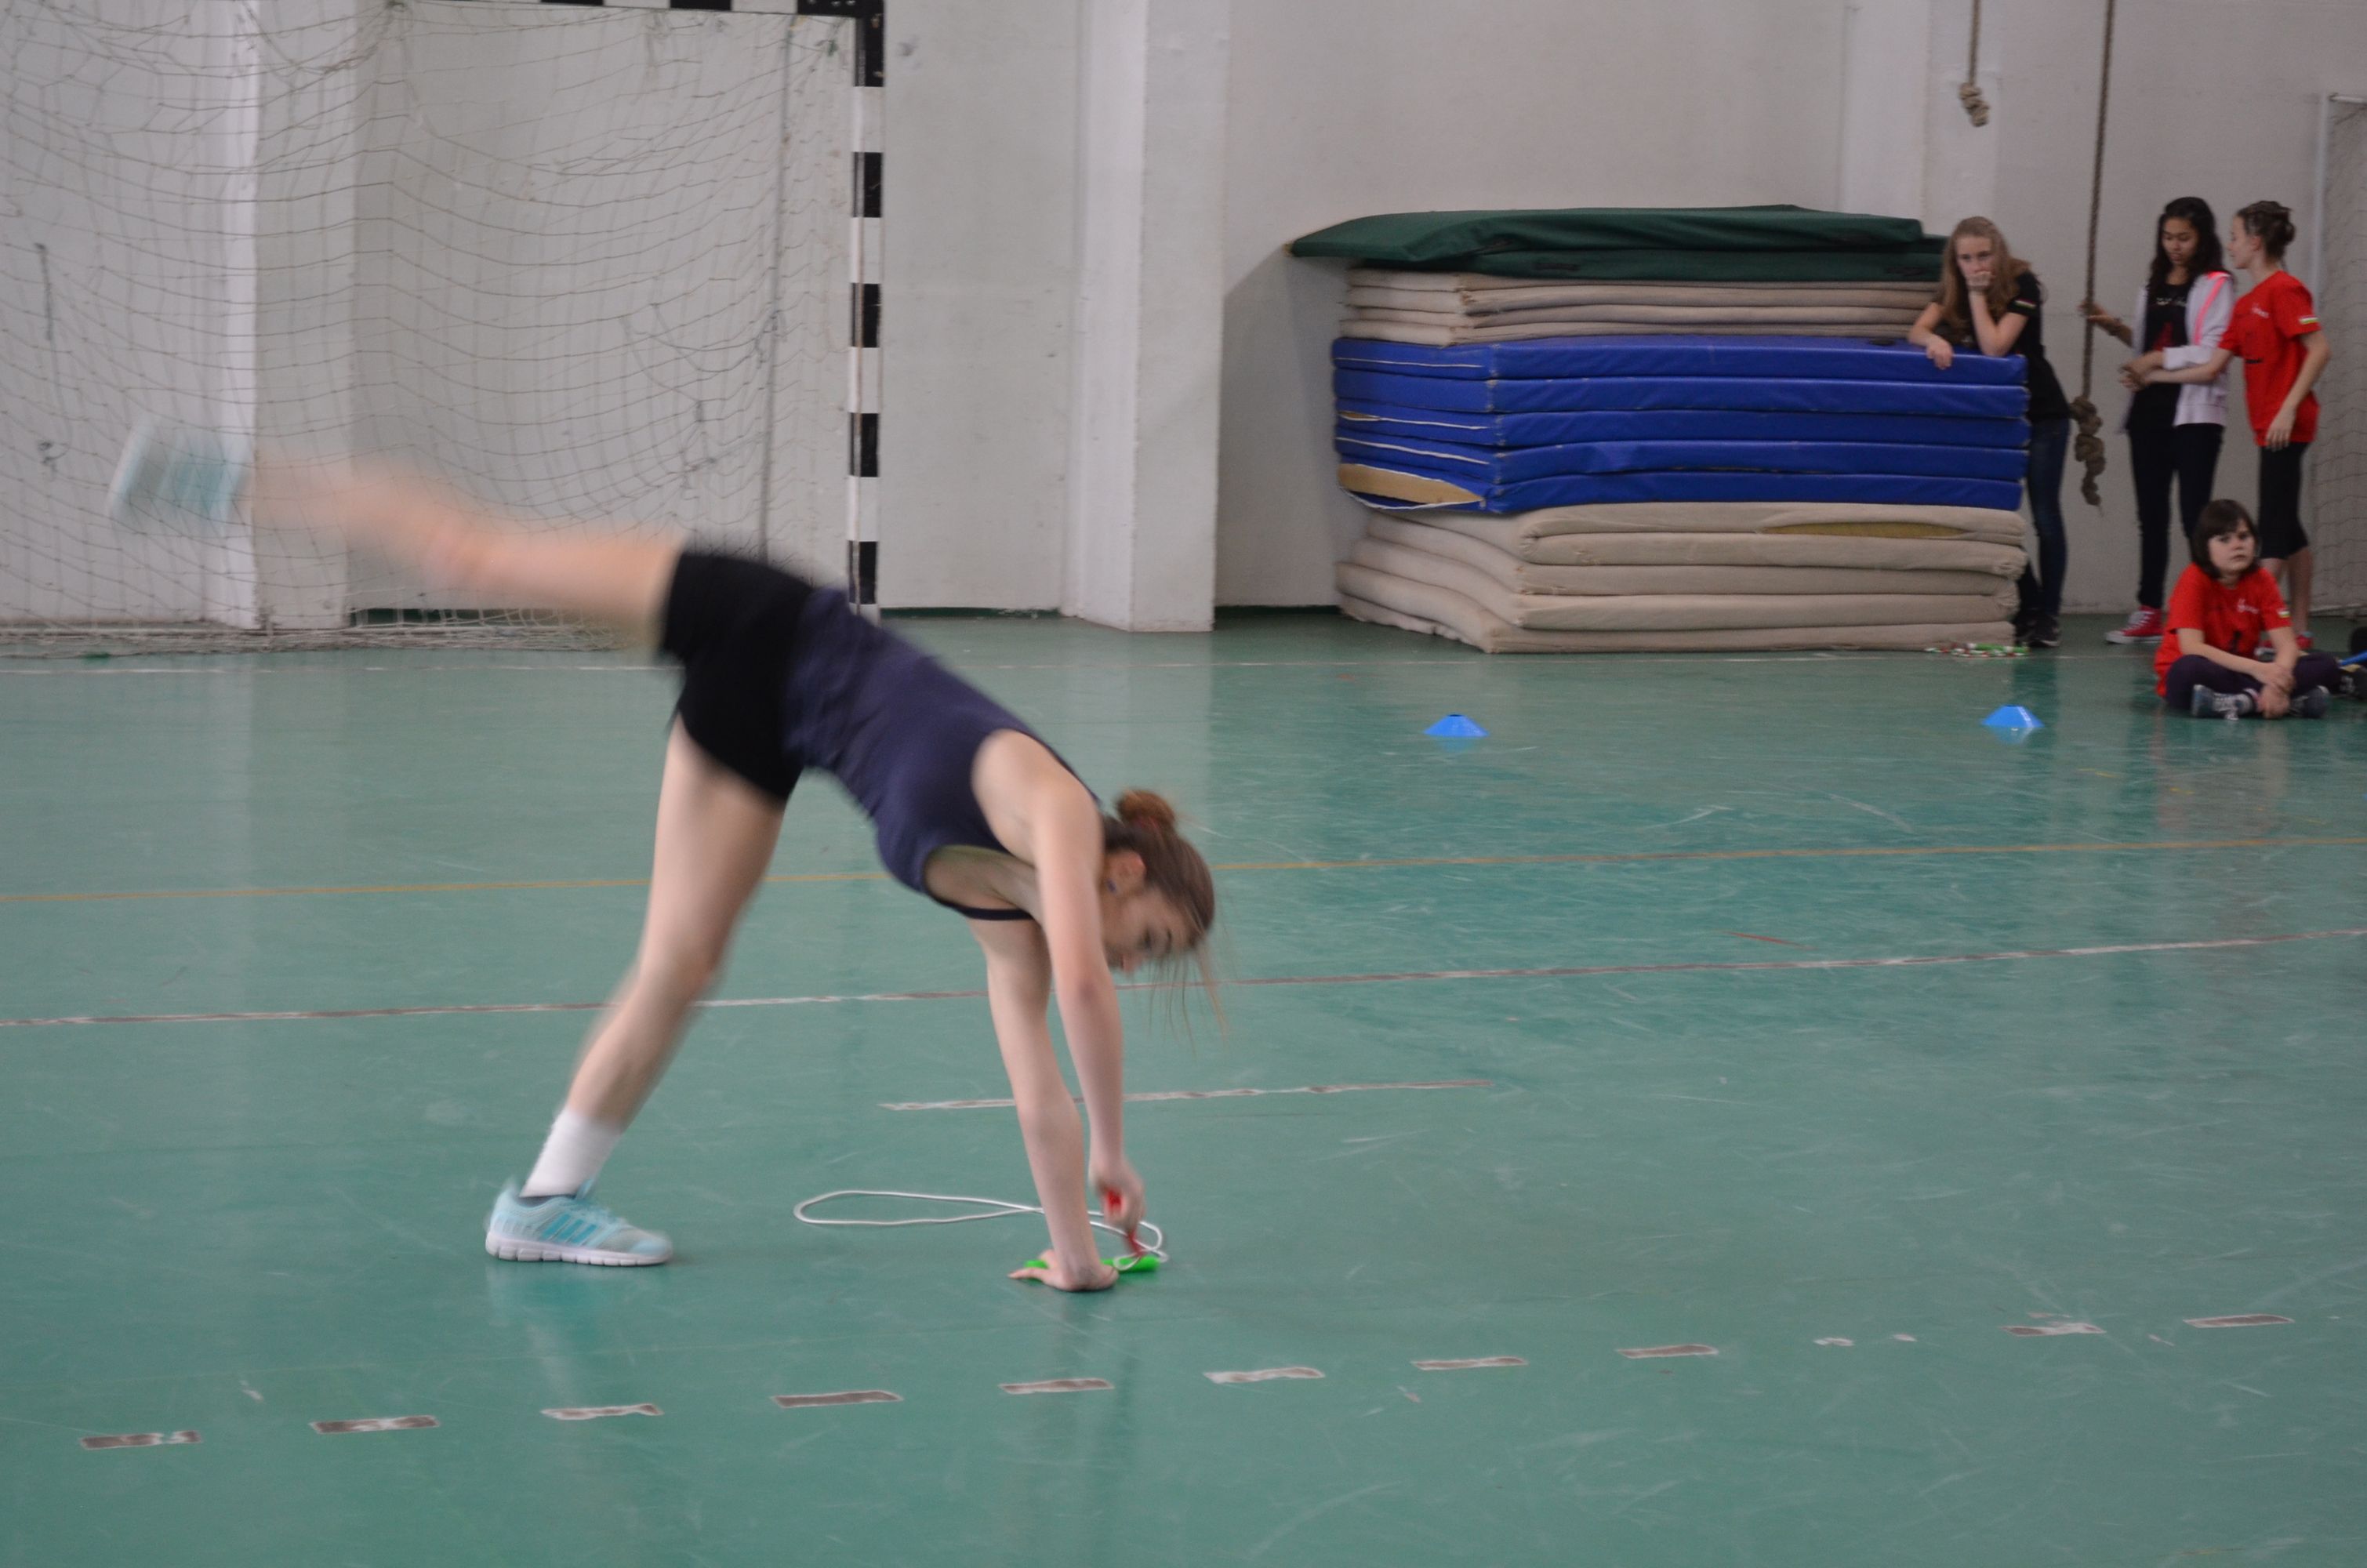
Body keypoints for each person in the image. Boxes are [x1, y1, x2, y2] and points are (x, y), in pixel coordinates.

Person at [249, 463, 1221, 1294]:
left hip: (764, 733)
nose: (1135, 963)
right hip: (762, 617)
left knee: (682, 963)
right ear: (1124, 869)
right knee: (479, 561)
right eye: (1152, 937)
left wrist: (1075, 1256)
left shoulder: (1006, 924)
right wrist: (1113, 1147)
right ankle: (257, 484)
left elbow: (1038, 1090)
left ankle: (543, 1201)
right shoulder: (1055, 808)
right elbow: (1086, 989)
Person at [2134, 201, 2331, 647]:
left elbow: (2319, 349)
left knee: (2273, 532)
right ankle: (2300, 627)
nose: (2230, 244)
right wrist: (2150, 374)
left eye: (2236, 236)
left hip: (2286, 426)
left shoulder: (2285, 290)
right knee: (2290, 527)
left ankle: (2258, 624)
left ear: (2256, 243)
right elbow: (2210, 367)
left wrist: (2288, 408)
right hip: (2266, 426)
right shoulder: (2246, 305)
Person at [1910, 217, 2073, 648]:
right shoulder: (1955, 287)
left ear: (1998, 253)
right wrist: (1933, 340)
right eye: (1967, 258)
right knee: (1996, 515)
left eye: (1984, 256)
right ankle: (2030, 602)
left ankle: (2050, 614)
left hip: (2043, 414)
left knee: (2045, 515)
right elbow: (1917, 328)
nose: (1976, 266)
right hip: (1996, 419)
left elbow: (1996, 346)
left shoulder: (2022, 284)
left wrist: (1979, 296)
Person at [2081, 197, 2232, 644]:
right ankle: (2150, 609)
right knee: (2151, 516)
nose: (2175, 246)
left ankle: (2205, 612)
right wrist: (2116, 330)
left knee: (2194, 518)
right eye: (2168, 237)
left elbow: (2210, 352)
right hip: (2149, 414)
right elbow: (2148, 348)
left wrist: (2153, 361)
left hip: (2195, 416)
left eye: (2184, 238)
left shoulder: (2217, 284)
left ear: (2202, 238)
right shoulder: (2153, 283)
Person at [2153, 499, 2337, 718]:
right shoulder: (2193, 579)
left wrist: (2275, 684)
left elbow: (2287, 645)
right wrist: (2260, 670)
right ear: (2204, 547)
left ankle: (2244, 702)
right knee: (2186, 671)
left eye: (2243, 536)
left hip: (2243, 672)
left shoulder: (2262, 580)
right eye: (2224, 540)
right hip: (2209, 672)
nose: (2237, 545)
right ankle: (2282, 702)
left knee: (2326, 665)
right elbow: (2192, 647)